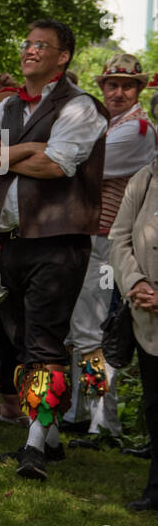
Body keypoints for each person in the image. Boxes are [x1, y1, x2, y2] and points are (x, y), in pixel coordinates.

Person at [0, 19, 108, 481]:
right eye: (26, 43)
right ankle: (50, 435)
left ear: (62, 57)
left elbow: (58, 165)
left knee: (45, 342)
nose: (29, 50)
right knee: (22, 339)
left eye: (40, 46)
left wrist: (12, 155)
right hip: (10, 242)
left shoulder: (81, 106)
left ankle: (33, 448)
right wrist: (30, 150)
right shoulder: (6, 106)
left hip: (59, 242)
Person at [62, 54, 156, 448]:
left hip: (109, 241)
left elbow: (79, 164)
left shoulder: (136, 129)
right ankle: (80, 411)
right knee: (79, 326)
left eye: (127, 86)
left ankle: (105, 422)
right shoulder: (110, 124)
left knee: (95, 327)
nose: (118, 92)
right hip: (90, 235)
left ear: (139, 90)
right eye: (111, 85)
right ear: (101, 88)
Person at [108, 145, 158, 510]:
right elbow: (119, 237)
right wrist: (135, 283)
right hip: (147, 315)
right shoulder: (146, 176)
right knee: (155, 404)